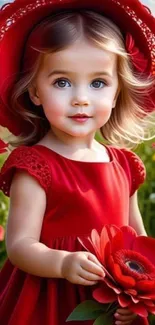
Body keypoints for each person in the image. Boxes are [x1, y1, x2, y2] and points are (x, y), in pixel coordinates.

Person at [0, 0, 155, 324]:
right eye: (62, 82)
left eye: (98, 83)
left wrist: (135, 296)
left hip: (110, 300)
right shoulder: (34, 166)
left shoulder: (123, 164)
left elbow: (137, 243)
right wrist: (62, 264)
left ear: (116, 93)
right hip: (50, 299)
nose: (81, 98)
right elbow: (19, 244)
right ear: (35, 91)